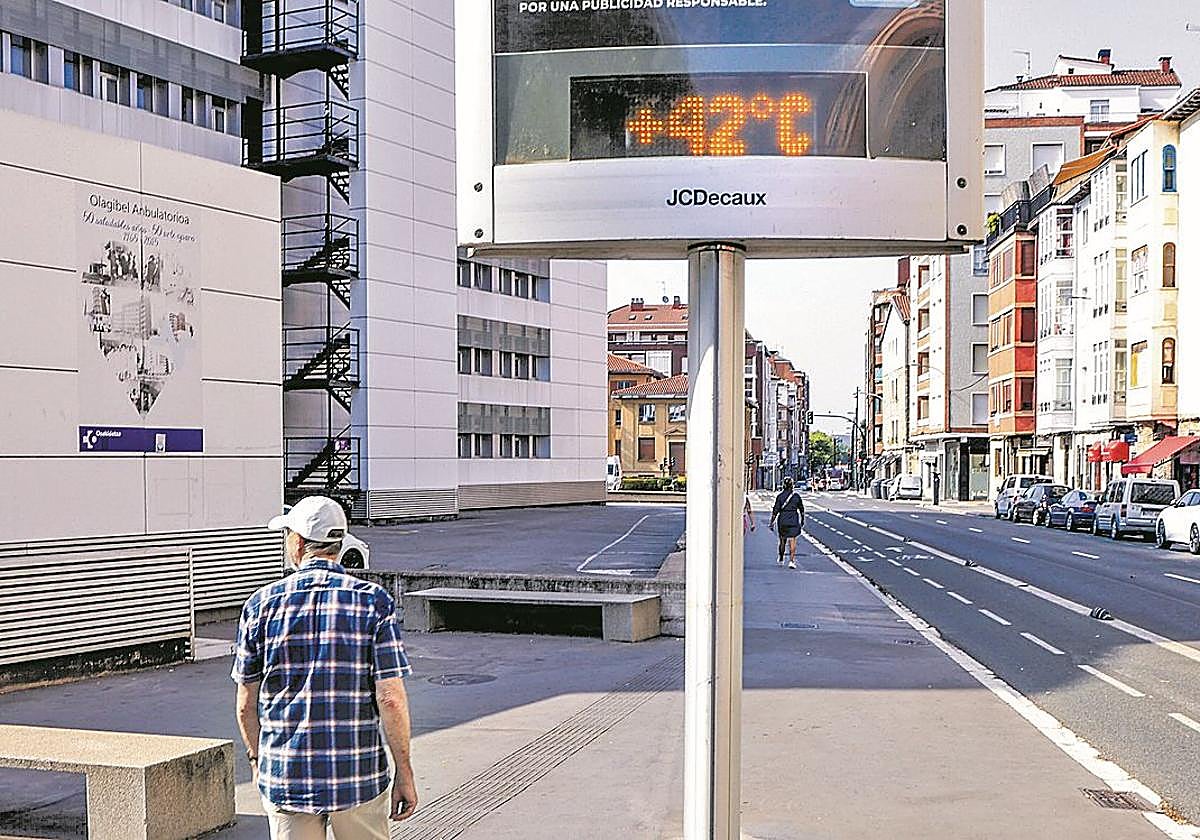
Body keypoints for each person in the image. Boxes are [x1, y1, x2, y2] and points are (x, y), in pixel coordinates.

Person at [232, 495, 418, 839]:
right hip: (358, 774)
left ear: (299, 542)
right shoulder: (373, 601)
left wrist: (258, 762)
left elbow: (246, 703)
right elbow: (391, 698)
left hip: (287, 776)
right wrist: (403, 771)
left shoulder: (260, 605)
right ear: (338, 543)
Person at [769, 476, 805, 569]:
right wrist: (802, 520)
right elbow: (801, 509)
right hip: (793, 520)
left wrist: (771, 522)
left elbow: (775, 511)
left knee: (782, 540)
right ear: (792, 485)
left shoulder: (780, 496)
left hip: (783, 520)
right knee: (792, 540)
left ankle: (781, 558)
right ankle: (792, 561)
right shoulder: (796, 496)